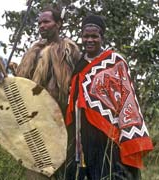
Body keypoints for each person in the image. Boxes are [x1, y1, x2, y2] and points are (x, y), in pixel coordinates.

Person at [65, 14, 154, 180]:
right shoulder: (78, 64)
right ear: (81, 37)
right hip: (82, 132)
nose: (89, 40)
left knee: (109, 172)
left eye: (94, 36)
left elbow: (127, 97)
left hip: (108, 133)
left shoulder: (115, 61)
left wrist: (126, 131)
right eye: (86, 36)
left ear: (102, 38)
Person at [10, 5, 81, 180]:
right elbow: (24, 82)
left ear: (58, 24)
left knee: (62, 165)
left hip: (61, 118)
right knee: (37, 164)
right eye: (39, 22)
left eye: (46, 22)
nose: (42, 25)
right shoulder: (34, 51)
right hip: (35, 118)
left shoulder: (69, 50)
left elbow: (75, 81)